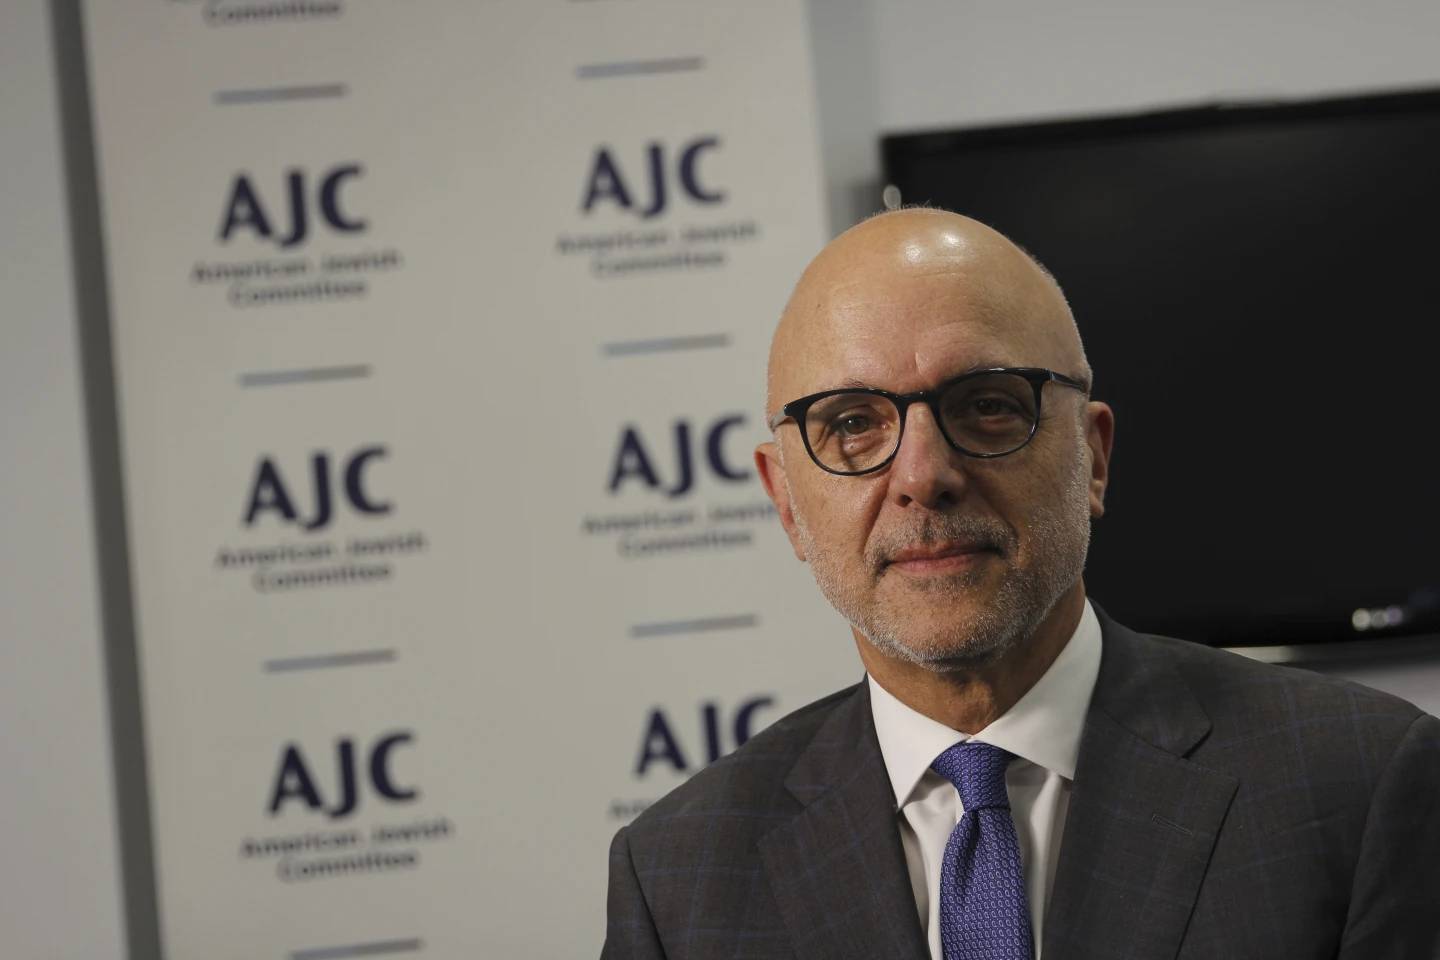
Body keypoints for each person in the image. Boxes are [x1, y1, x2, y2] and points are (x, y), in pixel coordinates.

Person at [600, 208, 1440, 960]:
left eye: (989, 404)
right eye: (852, 424)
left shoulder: (1359, 785)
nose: (923, 476)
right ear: (785, 500)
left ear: (1094, 457)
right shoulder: (677, 880)